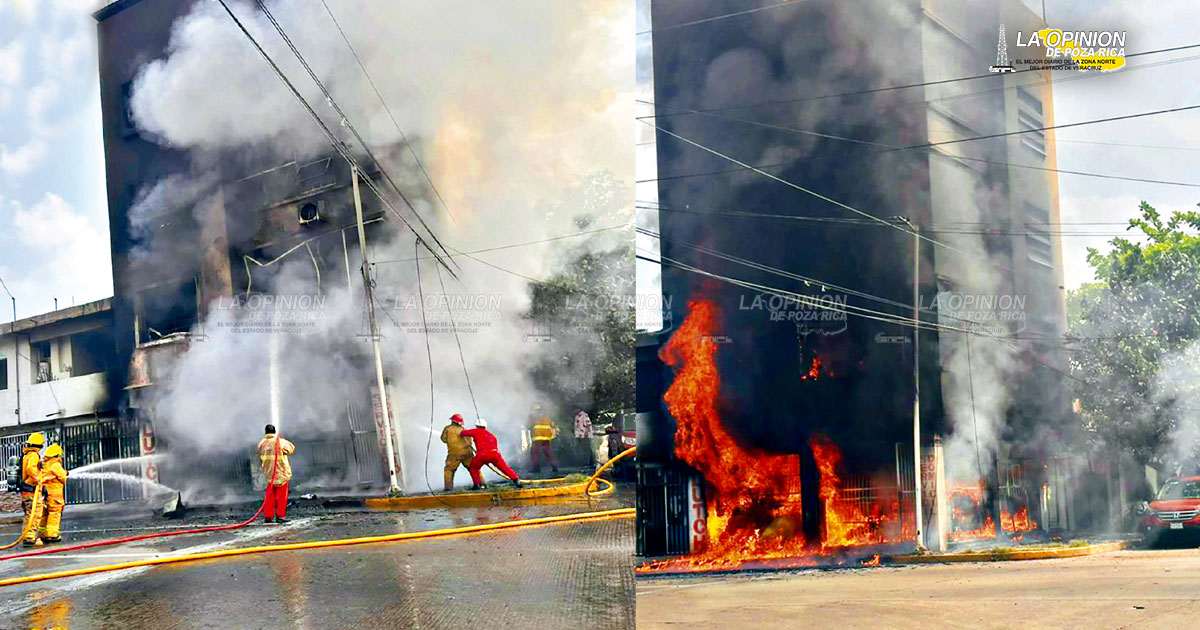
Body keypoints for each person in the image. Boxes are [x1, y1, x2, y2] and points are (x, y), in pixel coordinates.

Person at [461, 418, 520, 489]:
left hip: (482, 455)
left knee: (473, 468)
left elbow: (463, 433)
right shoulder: (491, 435)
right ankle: (516, 480)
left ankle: (476, 485)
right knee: (504, 468)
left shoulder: (476, 431)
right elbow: (494, 446)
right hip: (495, 454)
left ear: (477, 426)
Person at [257, 424, 296, 524]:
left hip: (269, 475)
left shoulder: (262, 443)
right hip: (281, 474)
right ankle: (281, 516)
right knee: (282, 497)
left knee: (270, 497)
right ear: (274, 431)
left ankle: (268, 517)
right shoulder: (280, 442)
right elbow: (291, 449)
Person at [37, 443, 68, 544]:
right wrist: (65, 473)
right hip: (55, 496)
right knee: (54, 514)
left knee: (44, 515)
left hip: (45, 495)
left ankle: (42, 534)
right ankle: (52, 535)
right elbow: (62, 478)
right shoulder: (55, 464)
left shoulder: (45, 465)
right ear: (57, 455)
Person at [20, 432, 45, 547]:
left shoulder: (26, 455)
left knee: (29, 514)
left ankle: (27, 535)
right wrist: (38, 479)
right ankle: (30, 537)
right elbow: (31, 468)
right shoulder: (33, 455)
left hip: (26, 490)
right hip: (31, 490)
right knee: (34, 513)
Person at [440, 413, 475, 491]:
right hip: (467, 452)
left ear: (452, 421)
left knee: (449, 470)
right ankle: (481, 483)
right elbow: (470, 441)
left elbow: (443, 439)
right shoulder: (464, 429)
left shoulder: (447, 429)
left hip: (454, 454)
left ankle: (448, 488)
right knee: (473, 468)